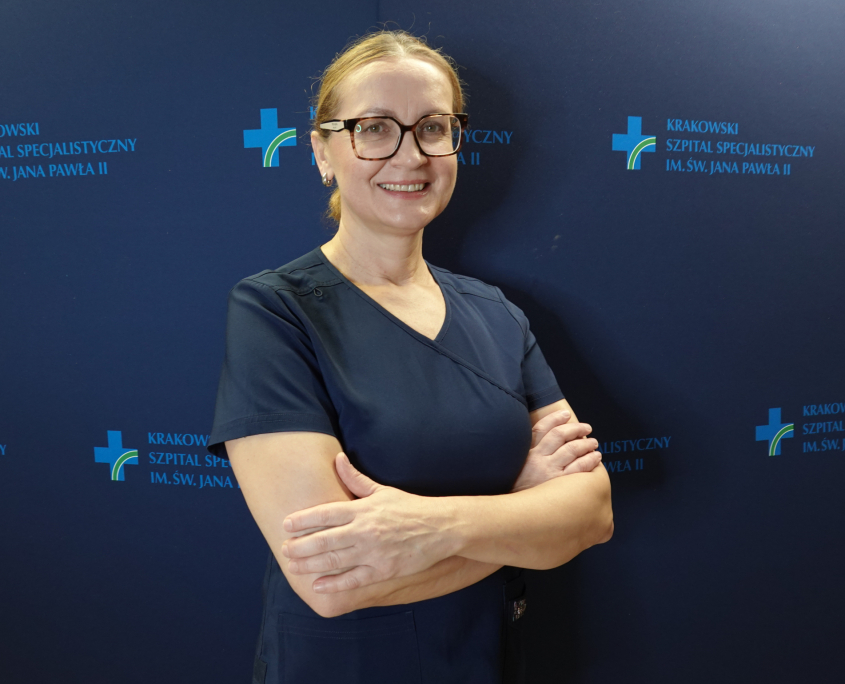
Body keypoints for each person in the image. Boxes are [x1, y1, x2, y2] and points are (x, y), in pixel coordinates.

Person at [208, 30, 613, 684]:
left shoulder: (498, 315)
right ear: (322, 151)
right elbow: (330, 580)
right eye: (373, 128)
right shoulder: (275, 310)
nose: (410, 154)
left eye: (432, 127)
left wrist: (431, 526)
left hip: (484, 660)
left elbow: (590, 515)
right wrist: (519, 510)